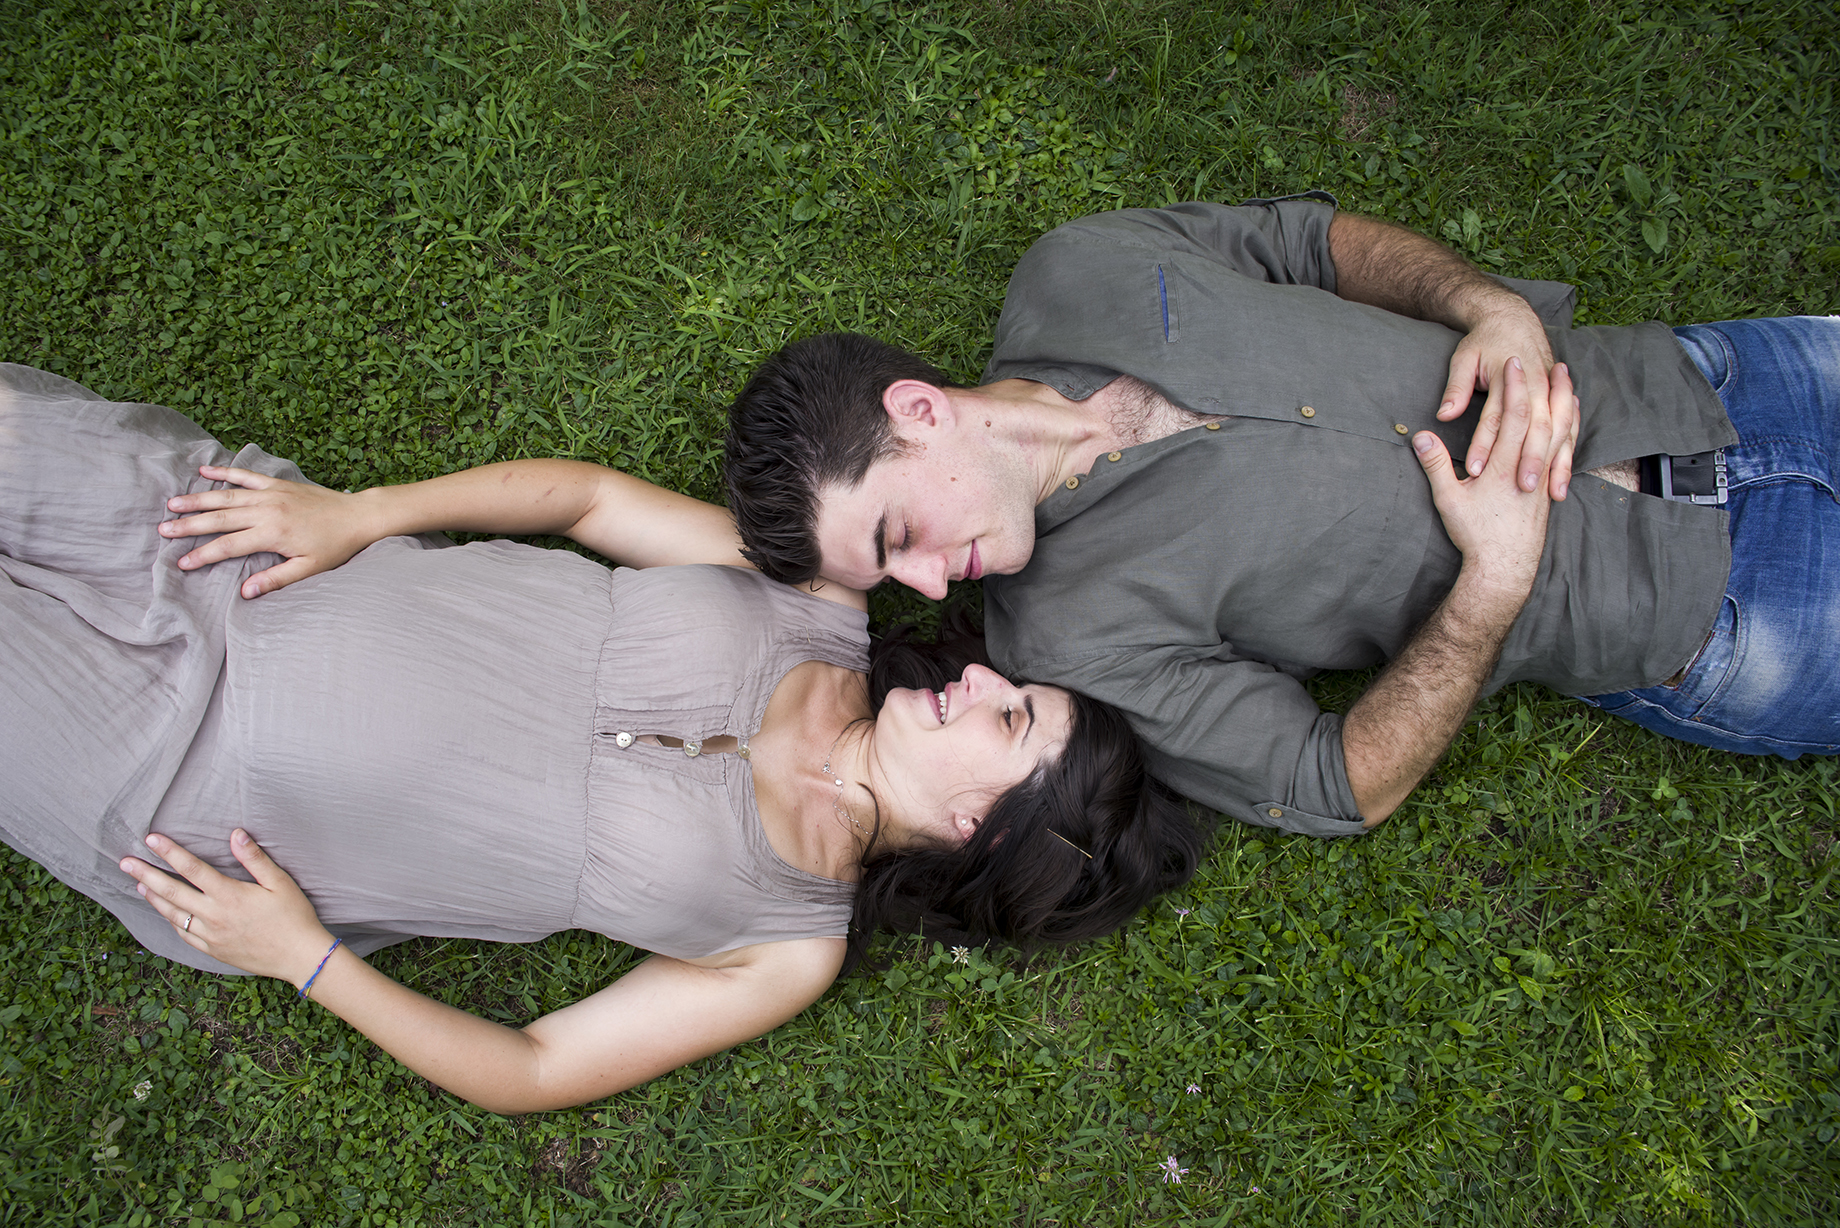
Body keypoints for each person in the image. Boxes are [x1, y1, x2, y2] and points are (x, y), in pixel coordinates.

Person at [0, 362, 1204, 1114]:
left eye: (1009, 717)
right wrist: (360, 511)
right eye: (1015, 683)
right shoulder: (821, 604)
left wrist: (303, 957)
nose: (981, 673)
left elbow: (531, 1069)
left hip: (166, 778)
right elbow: (586, 501)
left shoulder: (785, 949)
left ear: (977, 827)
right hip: (244, 554)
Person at [723, 192, 1839, 838]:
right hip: (1719, 612)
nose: (925, 586)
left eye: (893, 539)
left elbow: (1308, 241)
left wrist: (1484, 303)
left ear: (917, 411)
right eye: (891, 580)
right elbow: (1334, 784)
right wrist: (1491, 587)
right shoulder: (1063, 641)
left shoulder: (1076, 268)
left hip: (1712, 379)